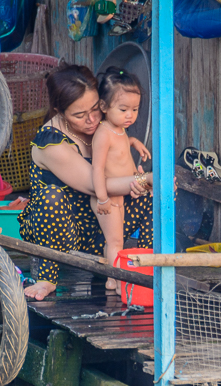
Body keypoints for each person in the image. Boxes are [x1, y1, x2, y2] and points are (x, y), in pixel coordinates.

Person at [20, 64, 154, 300]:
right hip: (63, 232)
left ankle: (143, 265)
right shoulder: (51, 143)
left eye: (95, 109)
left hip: (101, 225)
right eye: (79, 115)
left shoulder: (107, 128)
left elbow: (119, 164)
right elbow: (96, 184)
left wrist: (140, 180)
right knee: (52, 197)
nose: (91, 120)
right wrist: (143, 180)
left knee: (158, 195)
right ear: (59, 111)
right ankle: (46, 278)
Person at [92, 67, 151, 292]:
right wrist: (102, 198)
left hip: (120, 194)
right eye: (123, 109)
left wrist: (134, 141)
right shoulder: (103, 133)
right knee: (115, 241)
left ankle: (115, 276)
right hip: (108, 196)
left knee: (118, 240)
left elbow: (121, 148)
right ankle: (113, 279)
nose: (130, 115)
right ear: (104, 107)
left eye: (134, 109)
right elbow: (97, 168)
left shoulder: (119, 130)